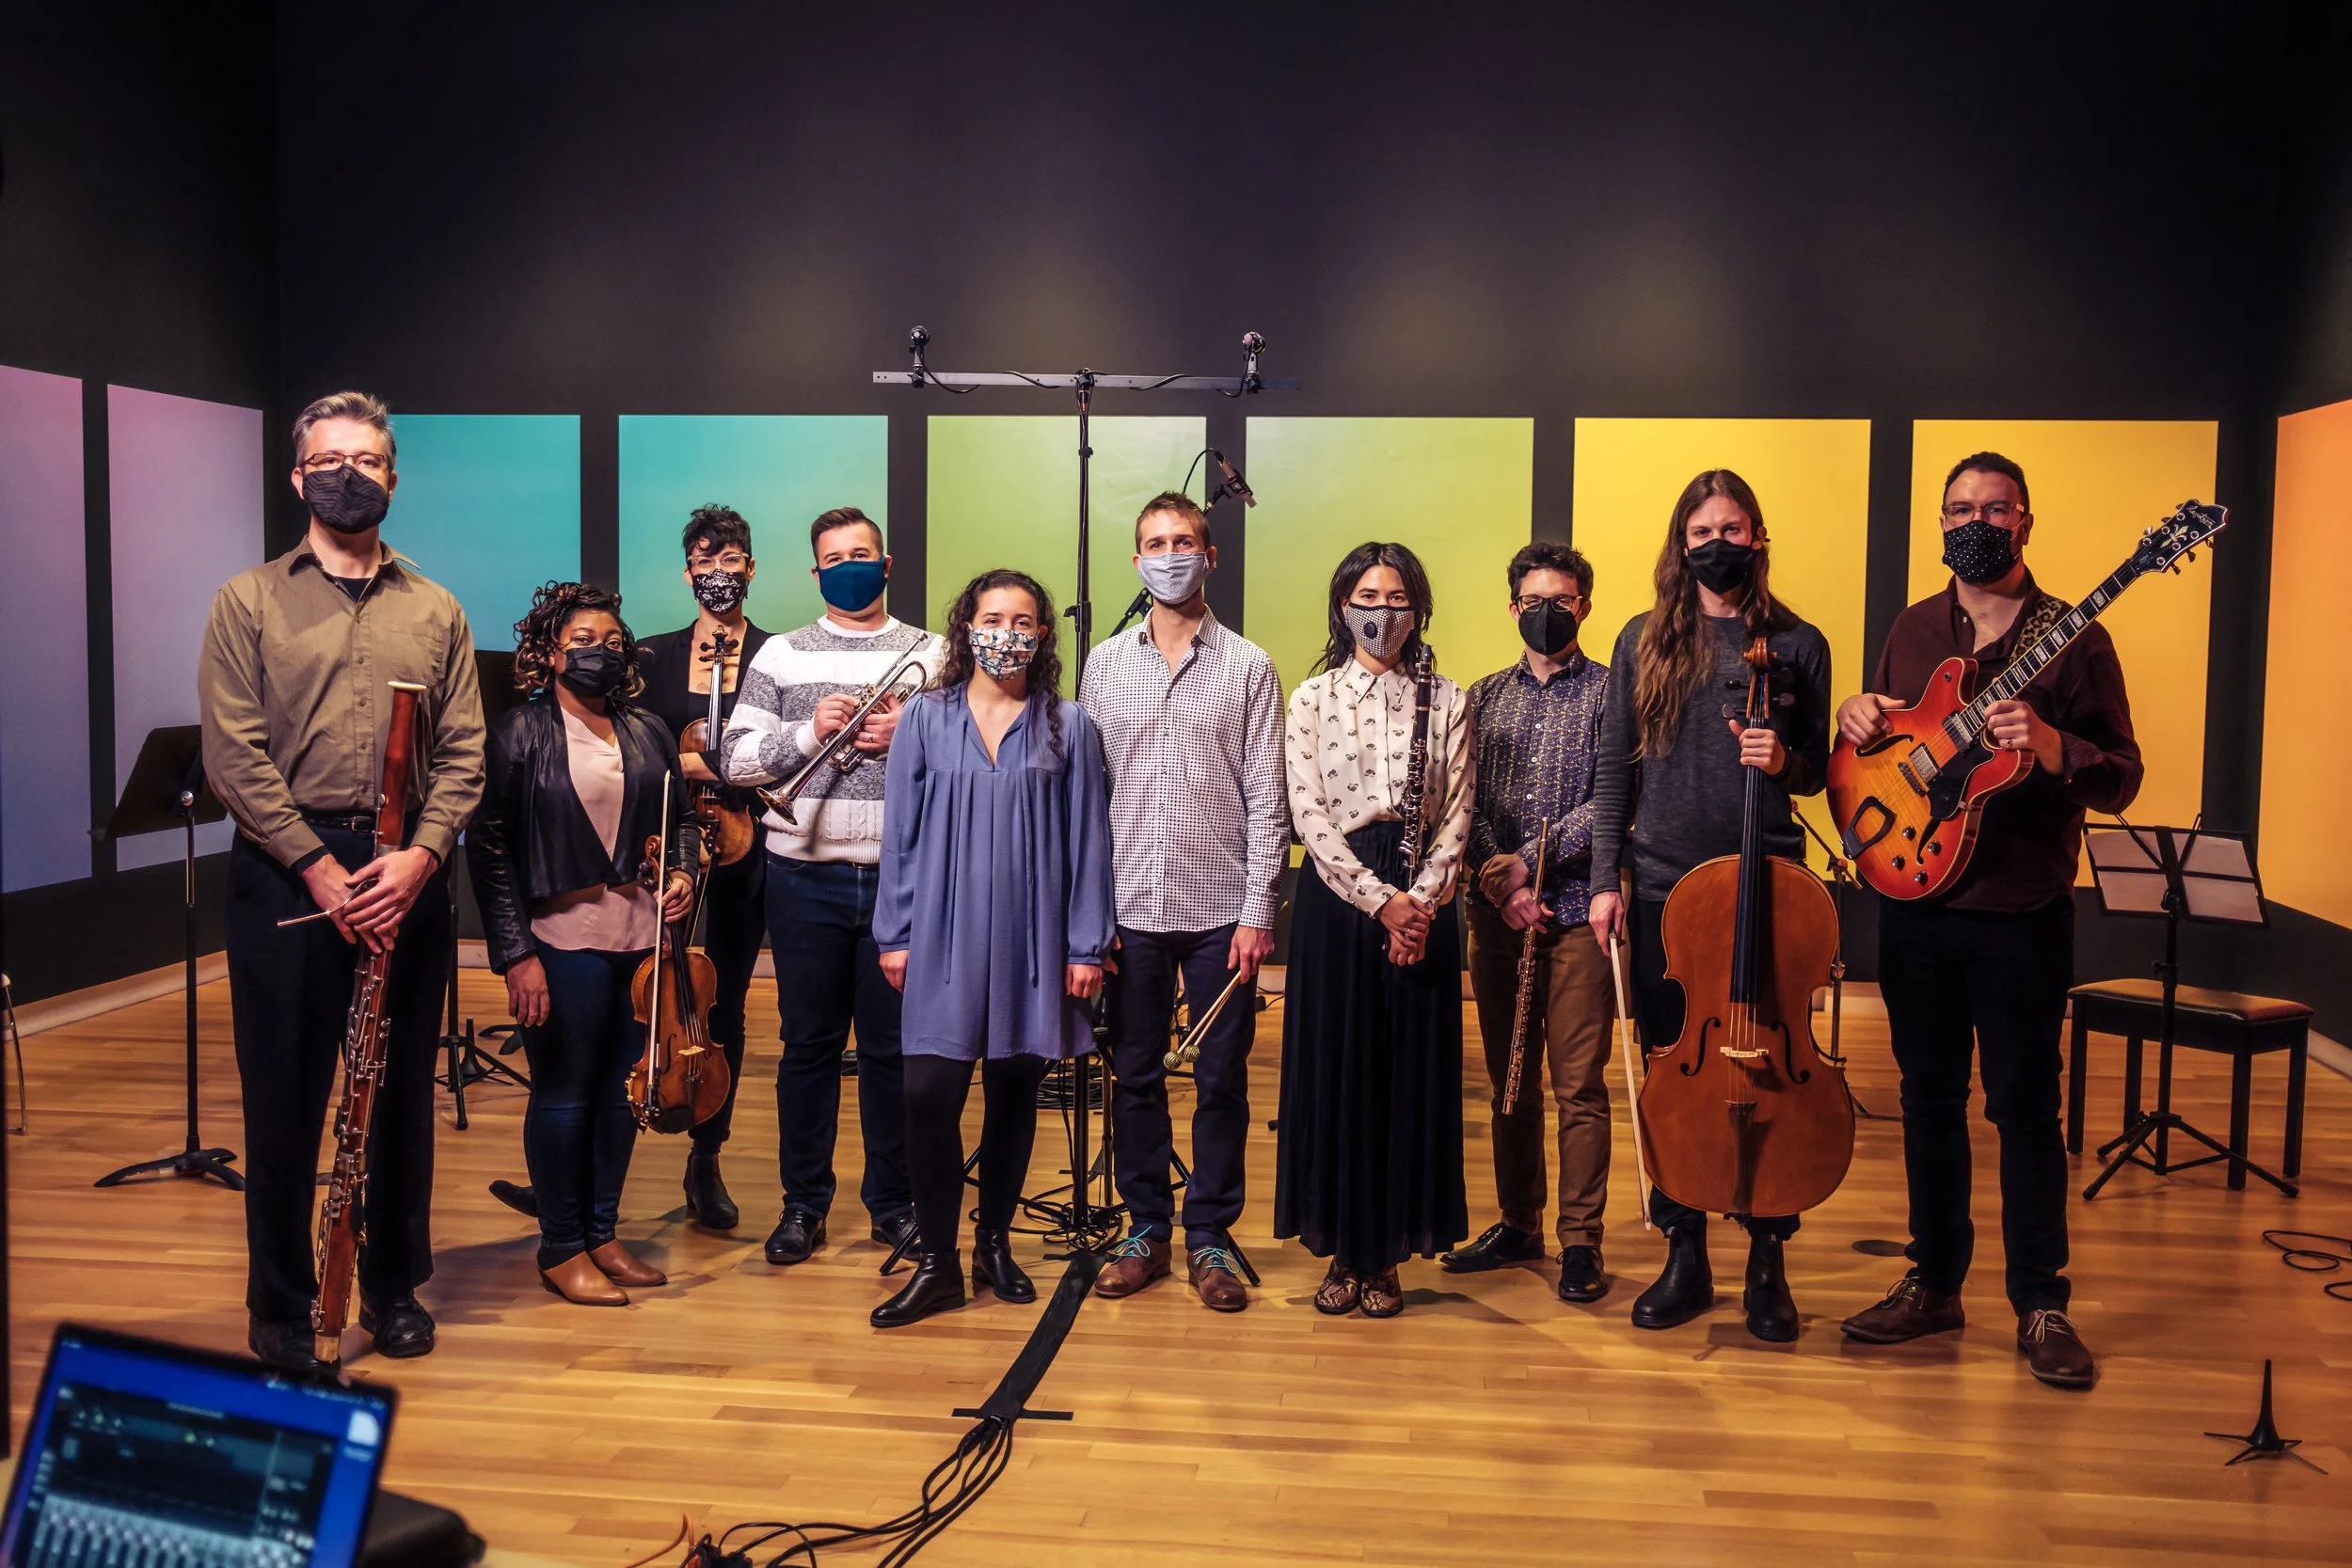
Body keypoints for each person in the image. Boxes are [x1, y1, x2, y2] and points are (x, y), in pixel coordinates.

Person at [1836, 451, 2139, 1391]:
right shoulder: (1914, 627)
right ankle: (1933, 1282)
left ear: (2025, 522)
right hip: (1915, 903)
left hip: (2021, 911)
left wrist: (2051, 745)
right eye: (1960, 508)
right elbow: (1888, 747)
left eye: (1995, 508)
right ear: (1941, 523)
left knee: (2024, 1109)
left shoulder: (2077, 638)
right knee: (1927, 1099)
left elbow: (2122, 777)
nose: (1977, 522)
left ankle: (2041, 1301)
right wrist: (1855, 717)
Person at [199, 390, 485, 1370]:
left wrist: (420, 856)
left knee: (398, 1091)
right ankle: (281, 1302)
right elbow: (233, 756)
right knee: (284, 1095)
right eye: (328, 460)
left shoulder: (436, 608)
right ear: (297, 476)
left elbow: (465, 753)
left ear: (392, 477)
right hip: (288, 872)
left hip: (406, 869)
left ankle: (393, 1285)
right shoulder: (248, 600)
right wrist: (319, 867)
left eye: (365, 460)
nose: (347, 475)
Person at [1588, 468, 1832, 1343]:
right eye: (1701, 531)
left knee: (1771, 1072)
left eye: (1732, 528)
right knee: (1673, 1073)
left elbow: (1819, 771)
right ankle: (1683, 1251)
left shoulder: (1797, 642)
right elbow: (1613, 765)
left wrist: (1784, 762)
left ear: (1757, 537)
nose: (1717, 543)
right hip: (1664, 886)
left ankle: (1768, 1257)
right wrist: (1605, 880)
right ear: (1680, 543)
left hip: (1767, 885)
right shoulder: (1643, 637)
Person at [868, 569, 1115, 1328]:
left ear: (1042, 634)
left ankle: (993, 1244)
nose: (1007, 632)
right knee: (927, 1094)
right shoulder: (924, 717)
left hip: (1032, 937)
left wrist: (1086, 945)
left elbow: (1089, 841)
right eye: (993, 617)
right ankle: (937, 1262)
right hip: (939, 933)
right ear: (966, 626)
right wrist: (895, 932)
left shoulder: (1069, 724)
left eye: (1023, 620)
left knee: (1013, 1092)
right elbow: (899, 833)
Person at [1080, 492, 1286, 1312]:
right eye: (1156, 543)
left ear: (1210, 556)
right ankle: (1146, 1229)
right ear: (1137, 561)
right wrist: (1087, 916)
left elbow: (1268, 798)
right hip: (1128, 906)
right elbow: (1086, 798)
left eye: (1185, 541)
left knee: (1220, 1079)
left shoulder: (1250, 666)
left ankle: (1209, 1234)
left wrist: (1259, 910)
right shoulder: (1103, 664)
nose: (1171, 554)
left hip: (1220, 911)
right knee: (1133, 1075)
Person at [723, 507, 944, 1267]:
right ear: (815, 572)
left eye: (863, 553)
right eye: (835, 557)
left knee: (893, 1050)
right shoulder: (781, 653)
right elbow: (735, 759)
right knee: (807, 1047)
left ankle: (893, 1203)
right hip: (803, 874)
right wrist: (811, 732)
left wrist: (912, 734)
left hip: (901, 880)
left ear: (887, 564)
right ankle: (803, 1204)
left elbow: (976, 758)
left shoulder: (934, 653)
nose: (851, 565)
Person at [469, 583, 698, 1306]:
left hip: (640, 941)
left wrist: (684, 870)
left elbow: (682, 819)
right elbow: (490, 850)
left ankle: (602, 1233)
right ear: (549, 652)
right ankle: (561, 1245)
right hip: (561, 942)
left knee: (621, 1095)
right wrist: (516, 955)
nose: (603, 652)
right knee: (565, 1094)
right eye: (584, 641)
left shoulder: (647, 730)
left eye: (613, 641)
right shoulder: (518, 733)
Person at [1274, 542, 1472, 1320]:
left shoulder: (1448, 698)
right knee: (1339, 1071)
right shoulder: (1311, 697)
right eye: (1367, 597)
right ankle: (1343, 1248)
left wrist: (1418, 904)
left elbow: (1458, 813)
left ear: (1417, 610)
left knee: (1404, 1076)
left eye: (1396, 599)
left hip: (1424, 894)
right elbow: (1308, 813)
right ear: (1342, 606)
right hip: (1341, 895)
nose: (1381, 612)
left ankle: (1386, 1254)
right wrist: (1380, 901)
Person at [1443, 542, 1617, 1305]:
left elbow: (1614, 799)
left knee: (1578, 1085)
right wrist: (1498, 875)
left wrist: (1533, 862)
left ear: (1584, 606)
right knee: (1509, 1080)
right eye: (1534, 599)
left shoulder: (1613, 694)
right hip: (1497, 918)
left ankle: (1581, 1240)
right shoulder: (1482, 696)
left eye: (1563, 599)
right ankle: (1520, 1222)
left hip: (1577, 914)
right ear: (1513, 606)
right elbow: (1465, 800)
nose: (1548, 611)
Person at [632, 504, 773, 1230]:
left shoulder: (777, 655)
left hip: (747, 846)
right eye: (705, 560)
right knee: (642, 994)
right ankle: (604, 1153)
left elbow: (783, 752)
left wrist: (709, 765)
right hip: (665, 845)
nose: (719, 572)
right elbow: (631, 748)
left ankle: (706, 1155)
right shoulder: (651, 656)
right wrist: (697, 764)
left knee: (724, 1004)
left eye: (730, 559)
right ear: (687, 573)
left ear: (752, 567)